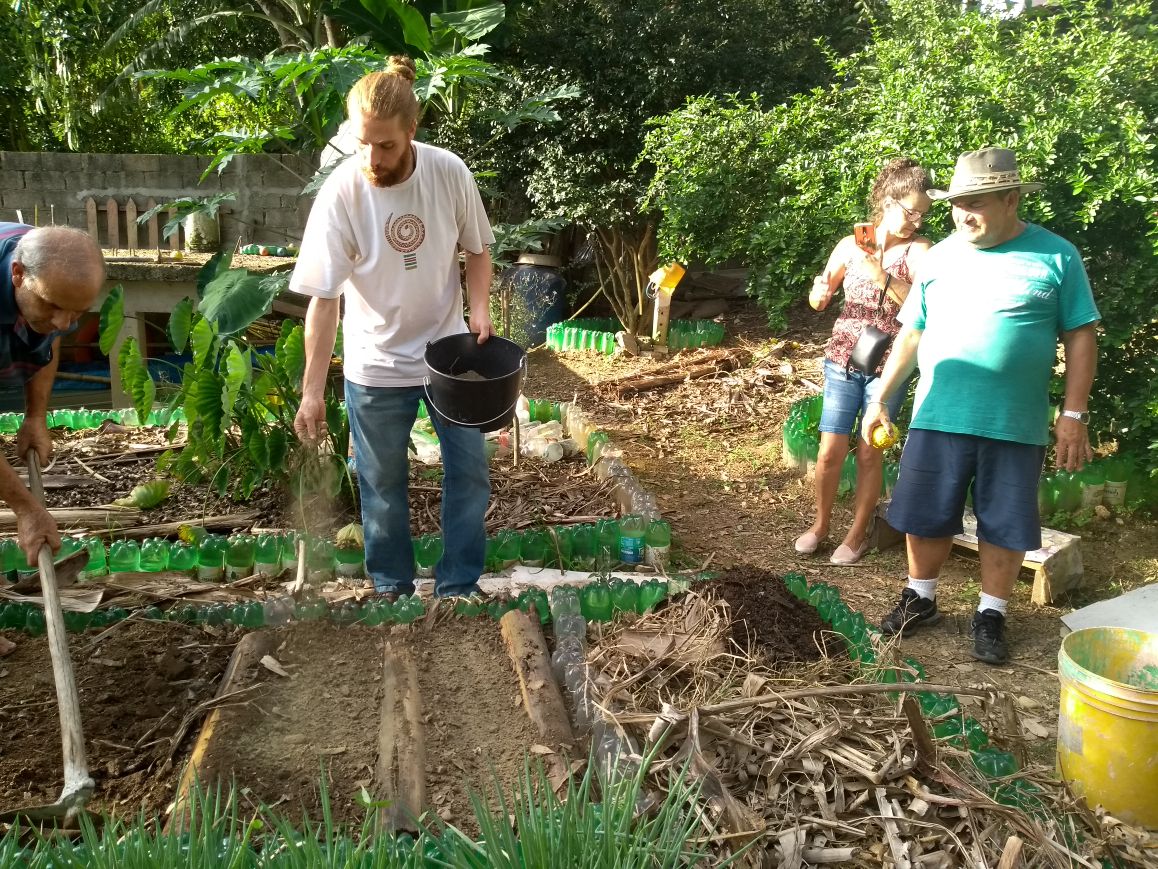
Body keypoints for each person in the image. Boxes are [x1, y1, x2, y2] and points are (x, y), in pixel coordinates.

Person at [862, 147, 1099, 664]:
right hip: (938, 413)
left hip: (1014, 421)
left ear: (1011, 200)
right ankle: (920, 598)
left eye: (976, 204)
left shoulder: (1057, 256)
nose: (962, 215)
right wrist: (880, 398)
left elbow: (1081, 336)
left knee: (1004, 521)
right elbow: (911, 333)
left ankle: (991, 612)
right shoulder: (939, 257)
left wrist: (1073, 414)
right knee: (925, 513)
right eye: (956, 204)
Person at [291, 57, 495, 601]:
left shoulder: (449, 172)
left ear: (412, 130)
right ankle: (390, 588)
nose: (372, 158)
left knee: (470, 473)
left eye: (385, 145)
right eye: (362, 143)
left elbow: (478, 249)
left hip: (449, 359)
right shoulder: (341, 192)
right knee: (381, 484)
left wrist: (478, 307)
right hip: (374, 365)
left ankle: (458, 585)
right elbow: (324, 300)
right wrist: (312, 392)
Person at [795, 158, 933, 565]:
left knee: (871, 451)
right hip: (843, 357)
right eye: (911, 212)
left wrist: (881, 275)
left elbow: (923, 304)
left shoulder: (920, 251)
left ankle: (857, 535)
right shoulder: (849, 244)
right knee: (829, 450)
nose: (917, 222)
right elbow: (820, 297)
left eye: (923, 215)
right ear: (888, 202)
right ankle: (820, 525)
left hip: (889, 365)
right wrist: (819, 295)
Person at [0, 223, 105, 566]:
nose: (64, 323)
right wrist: (26, 509)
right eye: (52, 306)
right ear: (18, 274)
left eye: (77, 313)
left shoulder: (50, 269)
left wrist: (35, 416)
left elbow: (49, 340)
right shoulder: (36, 269)